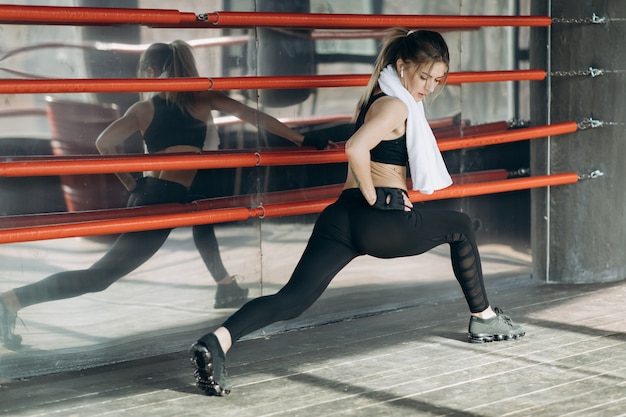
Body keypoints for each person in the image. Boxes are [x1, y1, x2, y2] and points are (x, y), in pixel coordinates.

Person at [187, 28, 526, 396]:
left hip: (341, 217)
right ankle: (485, 318)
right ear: (402, 65)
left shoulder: (378, 98)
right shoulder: (396, 105)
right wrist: (375, 197)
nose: (429, 86)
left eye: (437, 79)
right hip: (378, 217)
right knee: (460, 226)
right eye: (424, 76)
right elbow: (355, 147)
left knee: (293, 300)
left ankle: (216, 341)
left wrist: (366, 197)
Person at [0, 40, 331, 350]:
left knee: (103, 273)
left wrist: (132, 185)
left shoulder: (145, 108)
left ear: (151, 72)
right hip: (162, 198)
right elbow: (254, 115)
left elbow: (104, 142)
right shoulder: (202, 99)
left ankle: (224, 282)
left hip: (151, 195)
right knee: (100, 276)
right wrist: (300, 140)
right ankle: (12, 300)